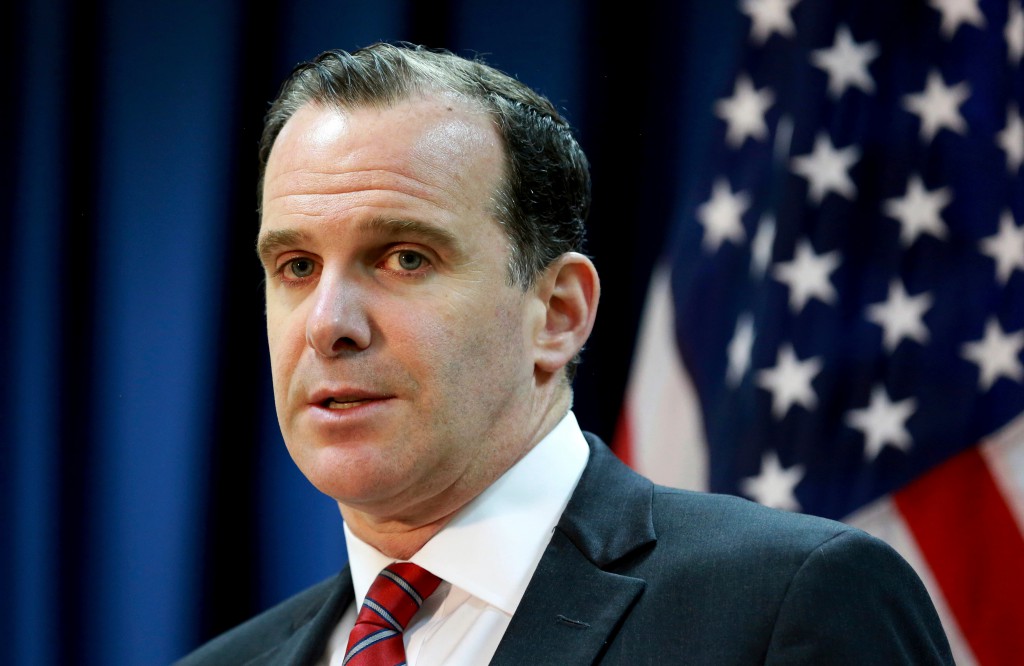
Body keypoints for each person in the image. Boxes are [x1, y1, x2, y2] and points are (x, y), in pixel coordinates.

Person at [178, 43, 953, 665]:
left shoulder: (787, 605)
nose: (328, 325)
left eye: (405, 258)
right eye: (296, 267)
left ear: (557, 314)